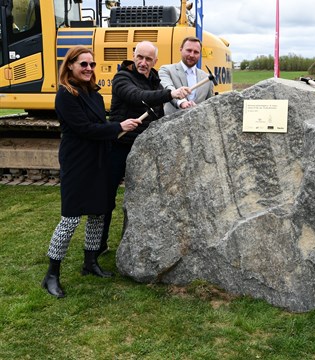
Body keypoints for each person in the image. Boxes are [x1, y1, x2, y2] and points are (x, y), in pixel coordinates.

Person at [42, 46, 141, 298]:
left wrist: (119, 127)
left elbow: (99, 125)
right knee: (71, 219)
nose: (88, 69)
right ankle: (51, 274)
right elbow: (85, 128)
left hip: (99, 160)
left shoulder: (95, 95)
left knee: (98, 213)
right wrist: (118, 126)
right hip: (77, 163)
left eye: (92, 64)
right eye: (83, 64)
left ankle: (90, 262)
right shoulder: (66, 94)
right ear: (71, 66)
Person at [100, 41, 189, 254]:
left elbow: (158, 108)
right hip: (119, 146)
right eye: (140, 57)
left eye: (148, 59)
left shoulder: (155, 81)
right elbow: (137, 97)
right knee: (105, 199)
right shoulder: (122, 77)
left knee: (144, 197)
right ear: (133, 55)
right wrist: (171, 94)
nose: (143, 62)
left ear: (154, 61)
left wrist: (182, 104)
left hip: (143, 149)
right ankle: (97, 245)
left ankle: (140, 244)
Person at [159, 36, 214, 115]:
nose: (192, 55)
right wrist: (181, 102)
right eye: (189, 50)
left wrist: (199, 108)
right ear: (181, 50)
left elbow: (209, 104)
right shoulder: (166, 70)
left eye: (196, 52)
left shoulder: (207, 78)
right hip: (171, 124)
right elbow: (168, 88)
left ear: (200, 54)